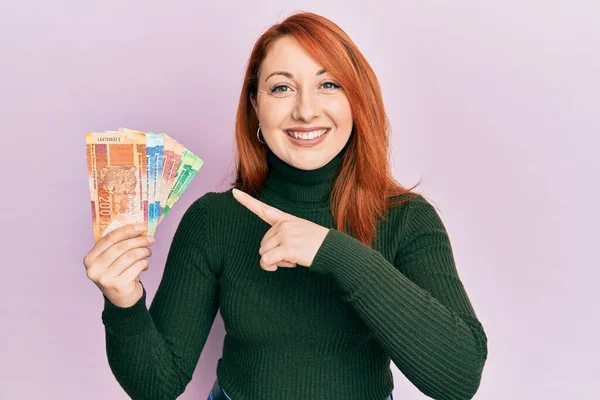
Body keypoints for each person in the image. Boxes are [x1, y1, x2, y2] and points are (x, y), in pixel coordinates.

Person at [83, 11, 488, 400]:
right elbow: (158, 385)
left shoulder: (407, 218)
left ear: (356, 100)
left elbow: (458, 380)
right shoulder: (214, 220)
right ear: (256, 106)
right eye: (281, 87)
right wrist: (124, 304)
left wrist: (333, 251)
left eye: (329, 85)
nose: (306, 110)